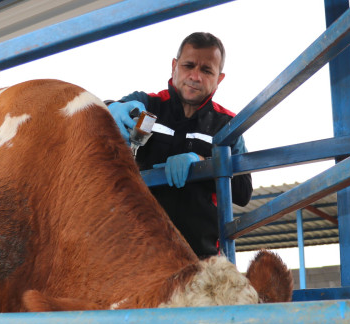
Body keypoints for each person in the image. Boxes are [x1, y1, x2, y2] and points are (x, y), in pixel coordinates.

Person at [107, 32, 252, 258]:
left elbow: (243, 191)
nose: (195, 76)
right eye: (188, 65)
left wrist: (203, 165)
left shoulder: (228, 125)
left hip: (200, 257)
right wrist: (109, 109)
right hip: (139, 253)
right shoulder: (147, 104)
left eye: (206, 70)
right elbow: (100, 116)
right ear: (174, 66)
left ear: (219, 78)